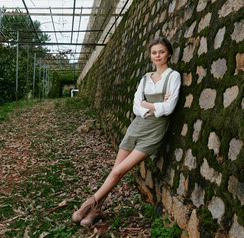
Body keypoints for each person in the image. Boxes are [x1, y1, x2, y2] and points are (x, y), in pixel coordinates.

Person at [72, 37, 182, 227]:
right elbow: (136, 106)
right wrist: (154, 106)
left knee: (117, 172)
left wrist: (148, 104)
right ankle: (96, 211)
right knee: (115, 173)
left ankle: (88, 203)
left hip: (154, 132)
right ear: (150, 55)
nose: (157, 56)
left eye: (161, 52)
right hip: (136, 127)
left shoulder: (173, 76)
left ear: (169, 54)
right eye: (154, 52)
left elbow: (169, 108)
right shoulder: (146, 78)